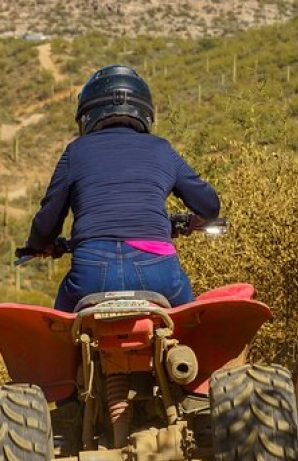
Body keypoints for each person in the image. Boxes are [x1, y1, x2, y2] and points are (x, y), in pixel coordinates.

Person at [17, 65, 220, 312]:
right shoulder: (161, 149)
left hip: (92, 273)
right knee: (189, 322)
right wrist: (189, 221)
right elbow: (209, 206)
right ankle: (187, 348)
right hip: (158, 270)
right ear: (144, 111)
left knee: (61, 330)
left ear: (88, 114)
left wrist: (39, 244)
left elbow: (48, 219)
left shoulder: (76, 152)